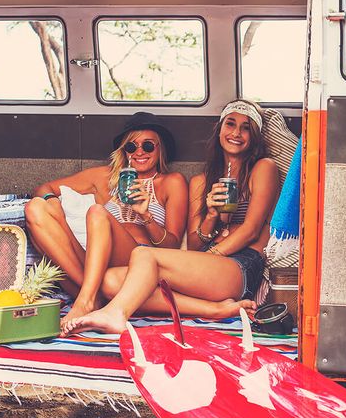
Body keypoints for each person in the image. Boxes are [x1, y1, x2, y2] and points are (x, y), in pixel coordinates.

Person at [61, 99, 279, 335]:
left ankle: (116, 314)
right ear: (219, 131)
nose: (236, 133)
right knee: (111, 281)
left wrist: (212, 255)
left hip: (241, 264)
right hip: (207, 266)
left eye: (245, 128)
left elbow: (252, 229)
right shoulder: (201, 182)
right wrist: (212, 216)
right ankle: (216, 309)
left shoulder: (263, 167)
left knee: (143, 254)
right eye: (230, 124)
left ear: (254, 136)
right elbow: (195, 245)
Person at [25, 112, 189, 327]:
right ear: (124, 151)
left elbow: (173, 245)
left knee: (97, 213)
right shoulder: (105, 177)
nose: (139, 152)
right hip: (93, 266)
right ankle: (93, 296)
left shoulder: (171, 182)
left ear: (160, 150)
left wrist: (145, 216)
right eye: (132, 147)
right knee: (35, 208)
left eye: (148, 146)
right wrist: (52, 201)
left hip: (137, 263)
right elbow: (43, 188)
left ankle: (86, 300)